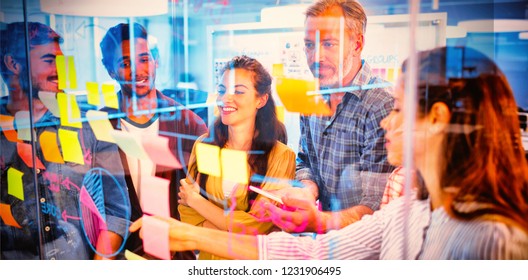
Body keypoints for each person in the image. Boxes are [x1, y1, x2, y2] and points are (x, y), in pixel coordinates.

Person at [131, 46, 528, 259]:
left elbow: (271, 235)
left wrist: (197, 217)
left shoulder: (496, 241)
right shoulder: (409, 211)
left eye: (400, 109)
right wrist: (181, 230)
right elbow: (316, 252)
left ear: (439, 119)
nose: (387, 122)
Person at [0, 22, 130, 259]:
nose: (59, 69)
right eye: (49, 60)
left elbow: (116, 211)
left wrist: (100, 263)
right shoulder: (3, 129)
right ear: (13, 64)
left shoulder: (89, 125)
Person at [270, 0, 394, 233]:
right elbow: (305, 160)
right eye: (309, 44)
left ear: (357, 45)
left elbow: (376, 207)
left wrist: (316, 220)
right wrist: (307, 190)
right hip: (325, 244)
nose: (316, 57)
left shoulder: (382, 105)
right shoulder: (312, 97)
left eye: (328, 44)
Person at [99, 22, 207, 259]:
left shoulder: (189, 125)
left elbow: (207, 203)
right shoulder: (99, 127)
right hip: (122, 256)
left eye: (144, 59)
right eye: (125, 63)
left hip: (176, 255)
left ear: (156, 61)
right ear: (110, 70)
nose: (138, 70)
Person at [177, 55, 296, 260]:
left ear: (261, 99)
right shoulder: (205, 146)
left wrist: (197, 201)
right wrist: (231, 231)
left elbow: (257, 226)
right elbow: (185, 212)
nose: (225, 99)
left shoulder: (281, 156)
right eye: (222, 91)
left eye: (238, 91)